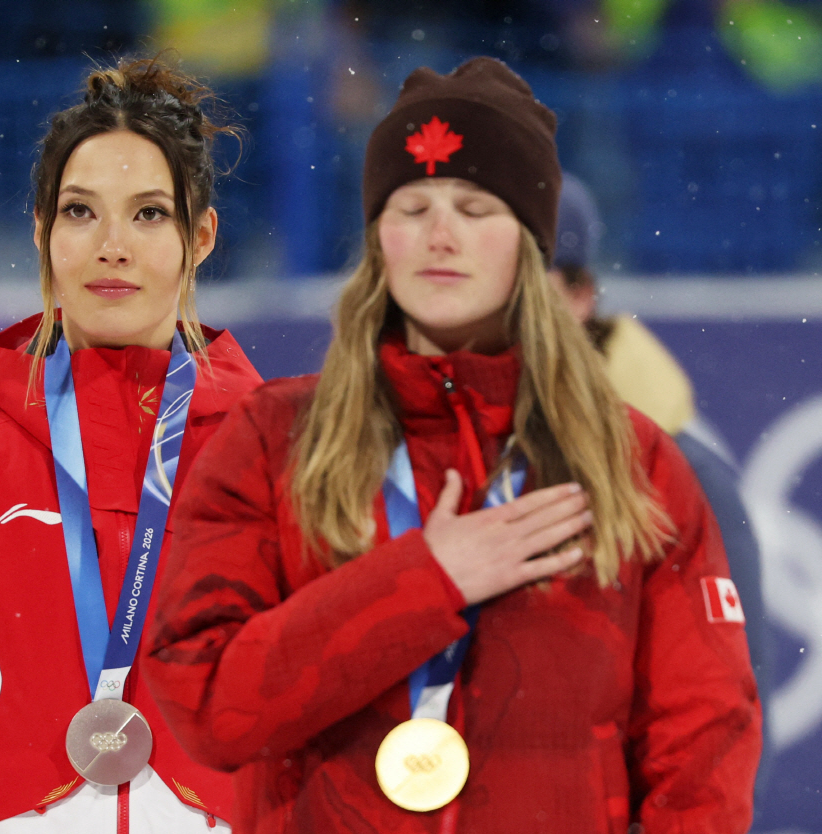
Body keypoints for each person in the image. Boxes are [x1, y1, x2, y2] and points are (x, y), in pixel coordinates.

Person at [143, 57, 760, 833]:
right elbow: (207, 707)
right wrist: (423, 582)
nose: (441, 235)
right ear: (378, 241)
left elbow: (702, 746)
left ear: (532, 248)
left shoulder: (633, 464)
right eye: (412, 206)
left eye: (475, 207)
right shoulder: (272, 440)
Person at [0, 57, 261, 834]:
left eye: (150, 214)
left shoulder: (279, 454)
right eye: (80, 211)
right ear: (41, 230)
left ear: (201, 236)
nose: (113, 246)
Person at [549, 172, 771, 795]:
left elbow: (733, 723)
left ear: (580, 295)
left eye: (527, 276)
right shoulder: (445, 445)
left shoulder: (681, 472)